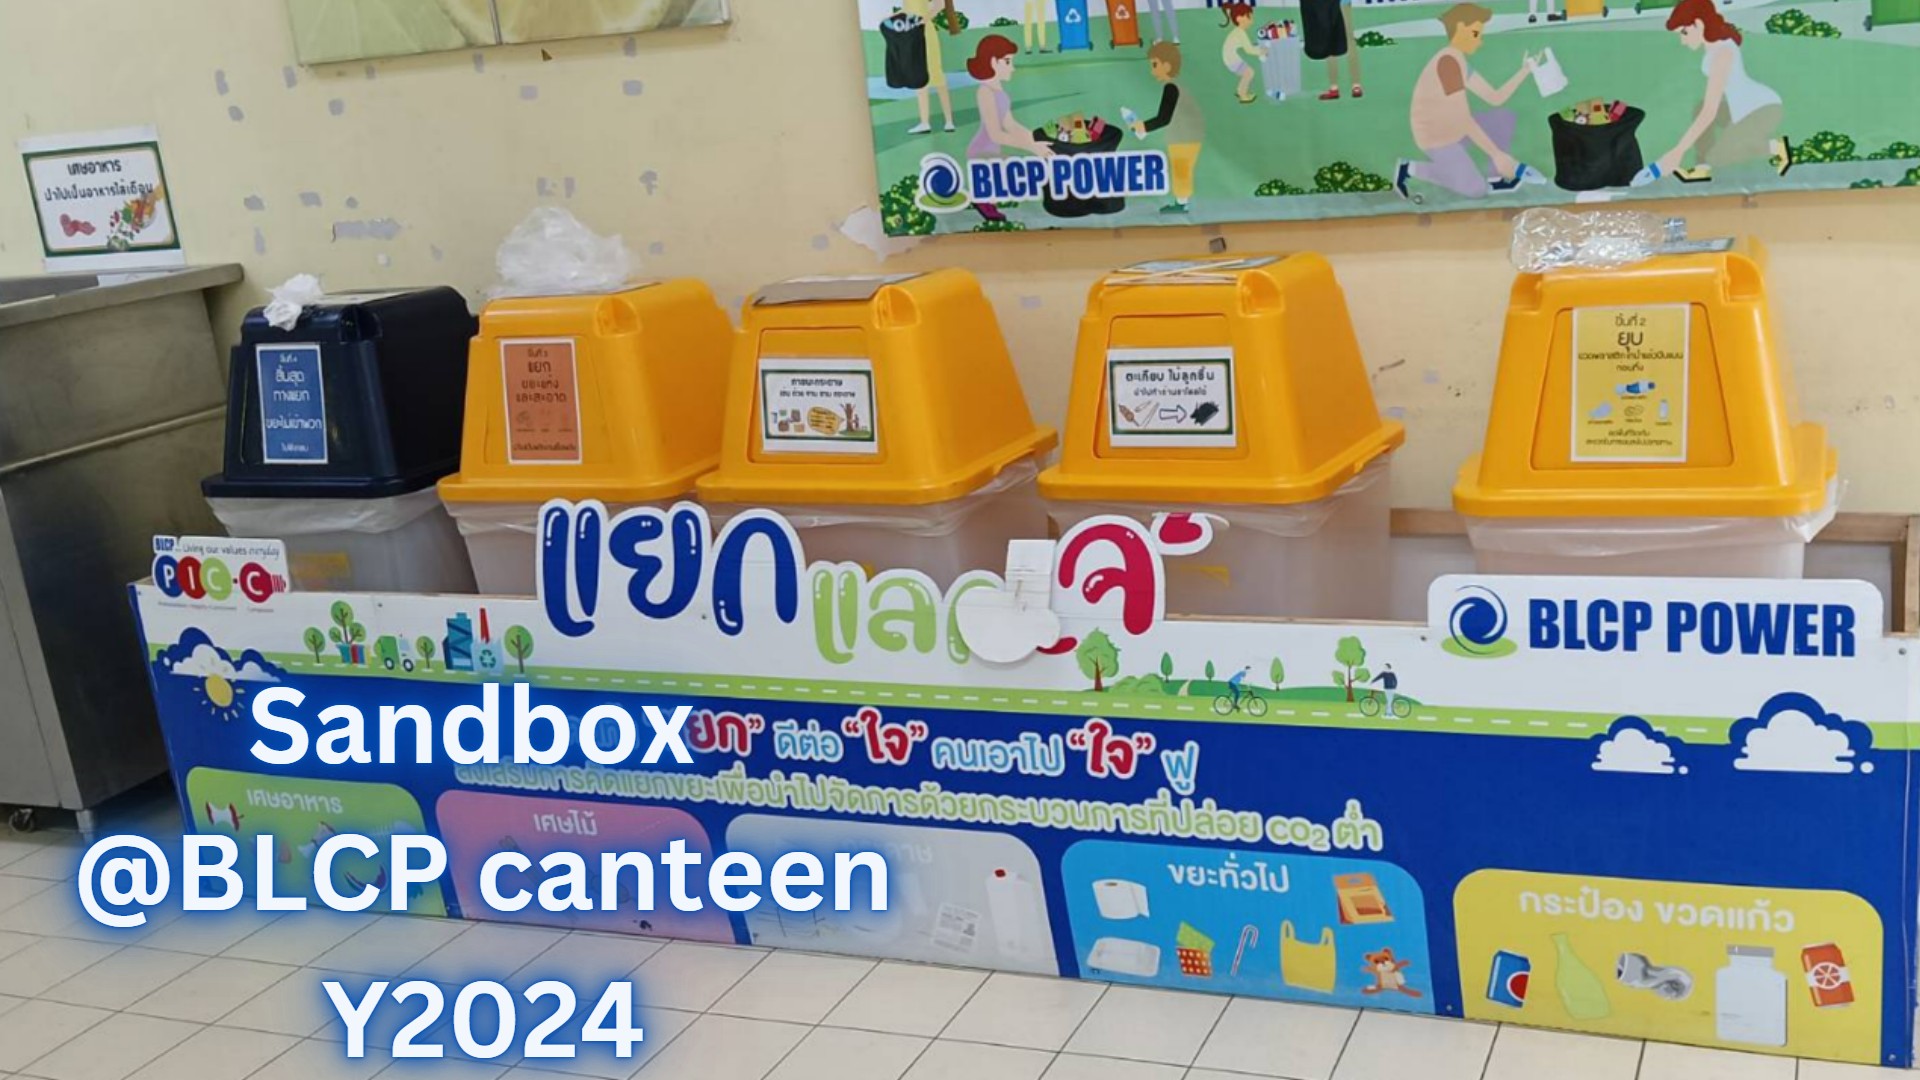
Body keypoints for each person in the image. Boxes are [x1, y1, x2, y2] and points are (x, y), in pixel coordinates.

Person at [1394, 4, 1546, 200]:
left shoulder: (1458, 60)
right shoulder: (1448, 63)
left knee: (1502, 118)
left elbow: (1495, 97)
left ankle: (1494, 172)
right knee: (1476, 189)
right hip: (1437, 137)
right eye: (1475, 34)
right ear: (1460, 28)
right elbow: (1463, 118)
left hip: (1452, 128)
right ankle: (1411, 168)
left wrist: (1525, 70)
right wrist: (1496, 154)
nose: (1479, 41)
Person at [1646, 0, 1791, 184]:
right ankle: (1702, 168)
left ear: (1698, 24)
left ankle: (1776, 147)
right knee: (1699, 108)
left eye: (1684, 32)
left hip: (1763, 109)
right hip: (1739, 108)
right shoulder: (1713, 50)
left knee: (1719, 157)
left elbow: (1710, 111)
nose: (1683, 41)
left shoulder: (1722, 54)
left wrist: (1678, 151)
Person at [968, 35, 1055, 222]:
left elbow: (1010, 125)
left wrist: (1035, 140)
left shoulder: (999, 91)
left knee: (1015, 171)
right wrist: (1032, 147)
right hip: (982, 151)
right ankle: (983, 201)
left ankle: (987, 201)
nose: (1012, 68)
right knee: (1017, 170)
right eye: (1007, 61)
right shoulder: (985, 92)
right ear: (993, 62)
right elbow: (996, 134)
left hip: (992, 150)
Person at [1133, 42, 1206, 213]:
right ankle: (1182, 202)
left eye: (1155, 65)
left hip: (1184, 138)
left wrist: (1143, 126)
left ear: (1167, 66)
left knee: (1181, 170)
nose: (1152, 70)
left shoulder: (1171, 88)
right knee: (1181, 170)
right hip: (1187, 136)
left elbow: (1164, 118)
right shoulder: (1176, 86)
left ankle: (1182, 204)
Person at [904, 0, 955, 134]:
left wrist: (921, 21)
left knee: (937, 75)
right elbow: (907, 11)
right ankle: (925, 122)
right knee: (919, 77)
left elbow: (939, 5)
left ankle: (949, 121)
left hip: (925, 32)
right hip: (913, 34)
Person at [1220, 2, 1265, 104]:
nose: (1251, 21)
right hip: (1231, 59)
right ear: (1239, 18)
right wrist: (1261, 51)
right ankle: (1243, 95)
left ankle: (1240, 90)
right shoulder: (1240, 33)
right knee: (1249, 73)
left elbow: (1248, 46)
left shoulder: (1238, 32)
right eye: (1249, 17)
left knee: (1247, 72)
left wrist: (1258, 49)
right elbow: (1249, 50)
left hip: (1229, 57)